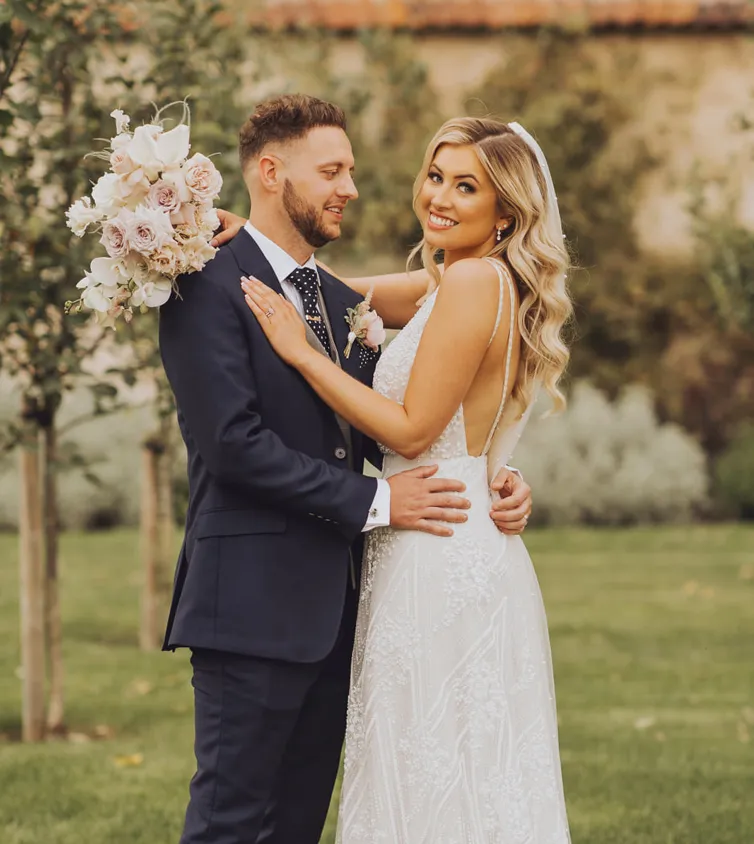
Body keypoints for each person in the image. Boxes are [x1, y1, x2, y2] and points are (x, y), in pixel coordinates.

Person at [159, 95, 533, 844]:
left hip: (346, 613)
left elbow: (414, 404)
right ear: (271, 173)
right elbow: (233, 446)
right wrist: (377, 502)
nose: (351, 189)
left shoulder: (332, 300)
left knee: (298, 826)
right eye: (331, 171)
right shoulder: (205, 281)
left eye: (351, 171)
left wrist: (490, 468)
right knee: (231, 826)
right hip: (253, 609)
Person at [239, 115, 573, 842]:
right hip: (447, 530)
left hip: (436, 542)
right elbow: (330, 289)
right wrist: (248, 234)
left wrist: (302, 355)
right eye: (435, 176)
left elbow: (415, 429)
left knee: (434, 765)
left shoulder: (474, 281)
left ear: (506, 211)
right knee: (453, 765)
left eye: (466, 186)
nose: (440, 198)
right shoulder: (451, 281)